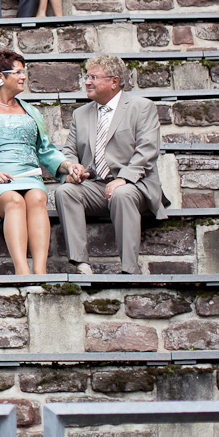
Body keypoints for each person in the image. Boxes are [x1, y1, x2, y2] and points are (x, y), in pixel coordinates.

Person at [0, 49, 76, 275]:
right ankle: (23, 272)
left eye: (24, 71)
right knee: (14, 200)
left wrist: (67, 166)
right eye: (18, 72)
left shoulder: (31, 111)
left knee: (39, 196)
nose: (24, 77)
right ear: (1, 77)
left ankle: (41, 272)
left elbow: (46, 150)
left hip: (29, 177)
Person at [55, 55, 169, 275]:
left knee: (122, 194)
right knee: (66, 191)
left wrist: (122, 179)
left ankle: (129, 269)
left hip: (135, 184)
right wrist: (72, 167)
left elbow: (147, 151)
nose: (87, 82)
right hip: (95, 185)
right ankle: (81, 264)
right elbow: (69, 151)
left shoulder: (142, 107)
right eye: (86, 76)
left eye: (93, 77)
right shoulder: (81, 114)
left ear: (114, 81)